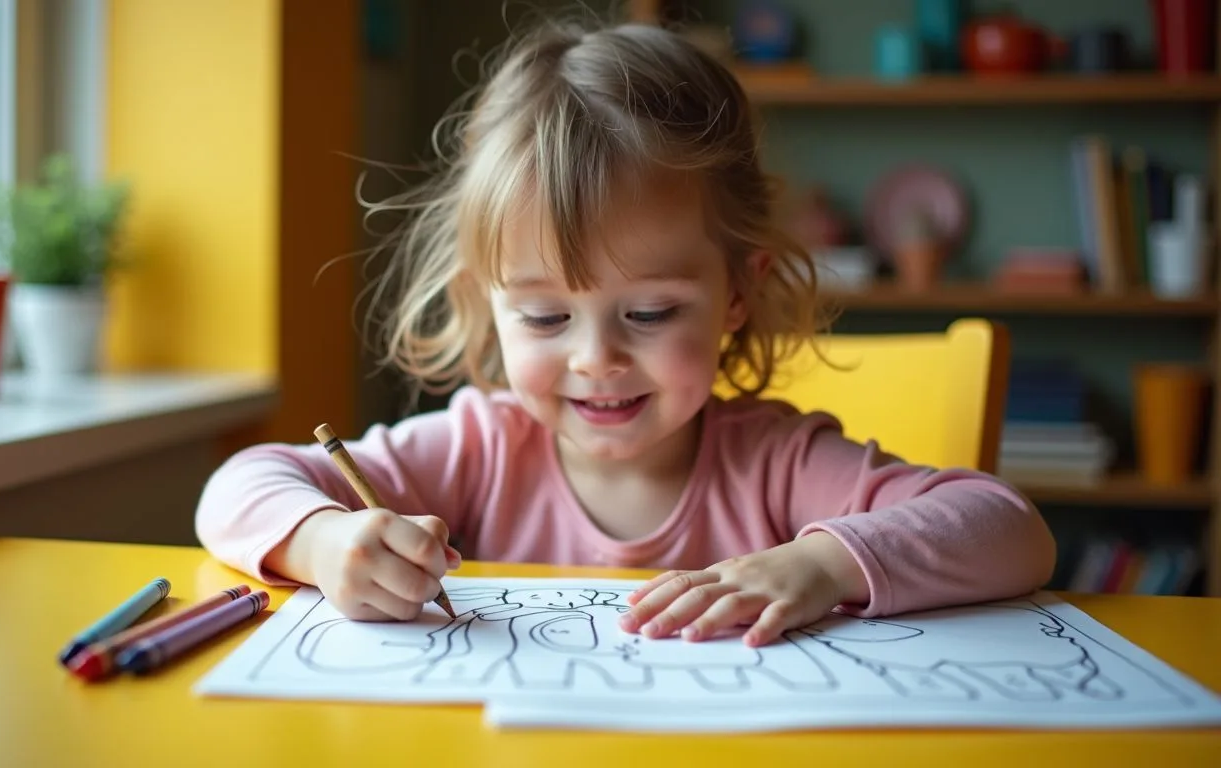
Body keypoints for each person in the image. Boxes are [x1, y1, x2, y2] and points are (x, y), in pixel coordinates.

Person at [194, 16, 1056, 648]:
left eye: (648, 313)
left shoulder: (777, 465)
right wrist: (323, 540)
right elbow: (238, 485)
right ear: (486, 302)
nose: (596, 358)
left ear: (736, 298)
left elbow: (1009, 526)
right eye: (543, 315)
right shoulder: (479, 449)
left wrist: (824, 565)